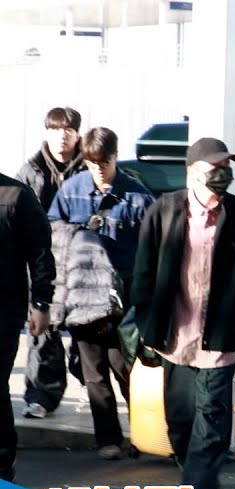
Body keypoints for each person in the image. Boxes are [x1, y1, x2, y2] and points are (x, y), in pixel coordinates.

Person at [133, 138, 235, 489]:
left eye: (228, 166)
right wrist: (146, 327)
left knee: (212, 418)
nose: (223, 173)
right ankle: (196, 476)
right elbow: (143, 275)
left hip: (220, 340)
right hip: (174, 337)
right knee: (179, 419)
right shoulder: (164, 211)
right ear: (192, 171)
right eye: (215, 167)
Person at [48, 127, 155, 460]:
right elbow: (51, 234)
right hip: (82, 298)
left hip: (123, 301)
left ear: (115, 157)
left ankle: (143, 435)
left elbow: (153, 248)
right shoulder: (71, 190)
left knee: (127, 370)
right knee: (94, 373)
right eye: (91, 163)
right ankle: (108, 439)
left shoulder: (137, 197)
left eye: (104, 163)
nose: (98, 170)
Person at [16, 107, 84, 420]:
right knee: (43, 333)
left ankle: (92, 392)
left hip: (84, 265)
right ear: (46, 133)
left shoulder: (89, 167)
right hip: (45, 263)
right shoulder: (30, 171)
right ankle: (40, 395)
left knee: (89, 337)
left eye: (68, 129)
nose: (62, 136)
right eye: (56, 129)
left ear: (78, 134)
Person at [0, 173, 54, 482]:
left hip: (4, 311)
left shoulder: (17, 196)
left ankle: (3, 465)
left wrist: (42, 303)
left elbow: (40, 252)